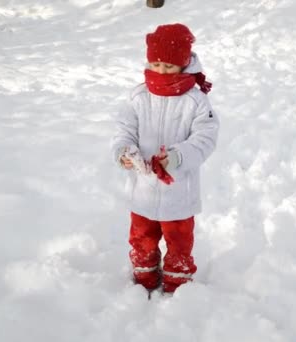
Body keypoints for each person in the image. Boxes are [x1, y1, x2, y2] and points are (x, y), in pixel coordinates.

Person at [111, 23, 219, 294]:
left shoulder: (195, 101)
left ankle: (178, 286)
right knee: (141, 240)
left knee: (179, 244)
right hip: (143, 192)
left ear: (183, 64)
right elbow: (124, 130)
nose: (161, 71)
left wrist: (178, 157)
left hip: (178, 194)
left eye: (169, 66)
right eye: (156, 64)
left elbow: (204, 139)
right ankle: (144, 280)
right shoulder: (138, 96)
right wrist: (124, 151)